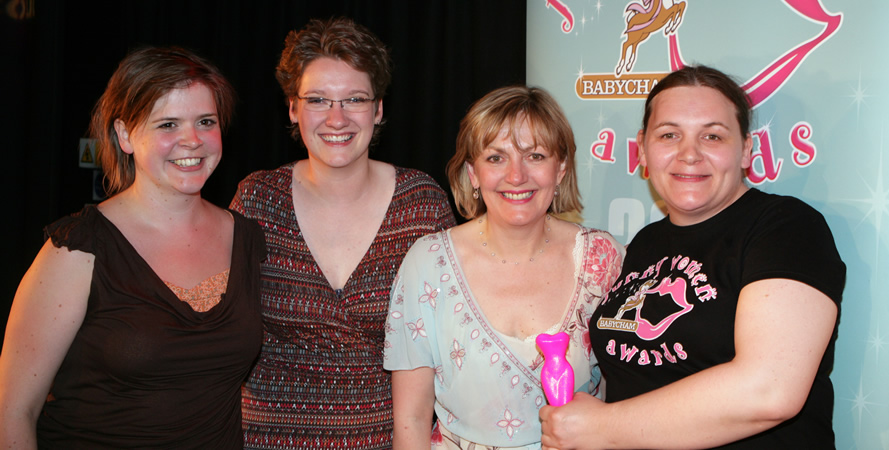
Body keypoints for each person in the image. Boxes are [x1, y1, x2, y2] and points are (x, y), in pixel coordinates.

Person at [539, 65, 845, 449]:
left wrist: (602, 428)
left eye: (712, 136)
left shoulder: (786, 227)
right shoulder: (645, 243)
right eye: (669, 135)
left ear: (747, 150)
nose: (689, 154)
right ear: (642, 149)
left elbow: (770, 390)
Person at [0, 46, 265, 448]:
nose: (191, 140)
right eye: (168, 125)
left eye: (205, 121)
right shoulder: (79, 250)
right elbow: (13, 412)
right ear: (125, 134)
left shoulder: (247, 238)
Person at [231, 17, 456, 449]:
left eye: (354, 99)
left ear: (378, 109)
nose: (336, 118)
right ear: (293, 108)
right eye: (318, 100)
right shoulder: (258, 199)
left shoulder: (421, 204)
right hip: (263, 440)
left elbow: (453, 343)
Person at [385, 85, 625, 449]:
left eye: (536, 156)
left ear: (560, 169)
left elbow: (620, 399)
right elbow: (411, 420)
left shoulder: (603, 258)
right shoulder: (427, 263)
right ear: (473, 173)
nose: (516, 176)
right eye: (496, 158)